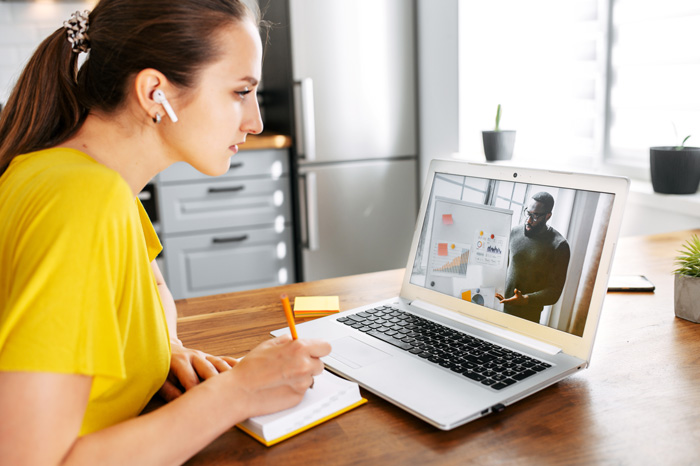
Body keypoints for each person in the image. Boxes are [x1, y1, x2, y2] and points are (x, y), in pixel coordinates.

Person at [0, 1, 331, 463]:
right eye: (239, 92)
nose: (254, 122)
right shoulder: (83, 200)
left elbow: (150, 287)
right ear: (157, 92)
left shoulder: (77, 176)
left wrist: (165, 350)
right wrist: (238, 392)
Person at [495, 192, 570, 323]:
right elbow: (502, 267)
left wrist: (525, 299)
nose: (529, 220)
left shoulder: (559, 245)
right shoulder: (514, 232)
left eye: (535, 216)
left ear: (548, 216)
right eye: (528, 213)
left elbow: (554, 293)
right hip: (498, 309)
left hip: (527, 318)